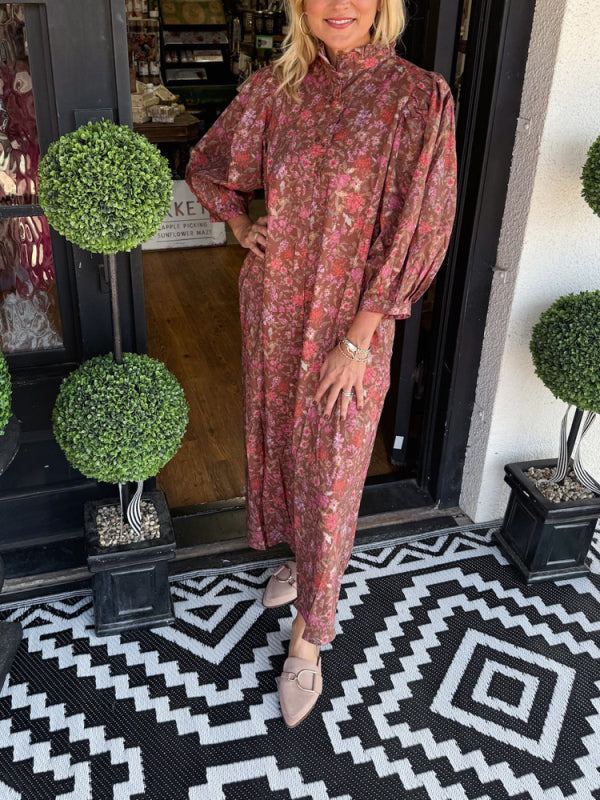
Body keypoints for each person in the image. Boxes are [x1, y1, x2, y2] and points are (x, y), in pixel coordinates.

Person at [185, 0, 457, 727]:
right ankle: (302, 560)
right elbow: (210, 165)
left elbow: (423, 225)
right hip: (276, 305)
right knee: (282, 442)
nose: (340, 6)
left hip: (354, 318)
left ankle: (309, 635)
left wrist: (360, 337)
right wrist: (240, 223)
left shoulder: (416, 97)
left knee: (334, 464)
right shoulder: (275, 89)